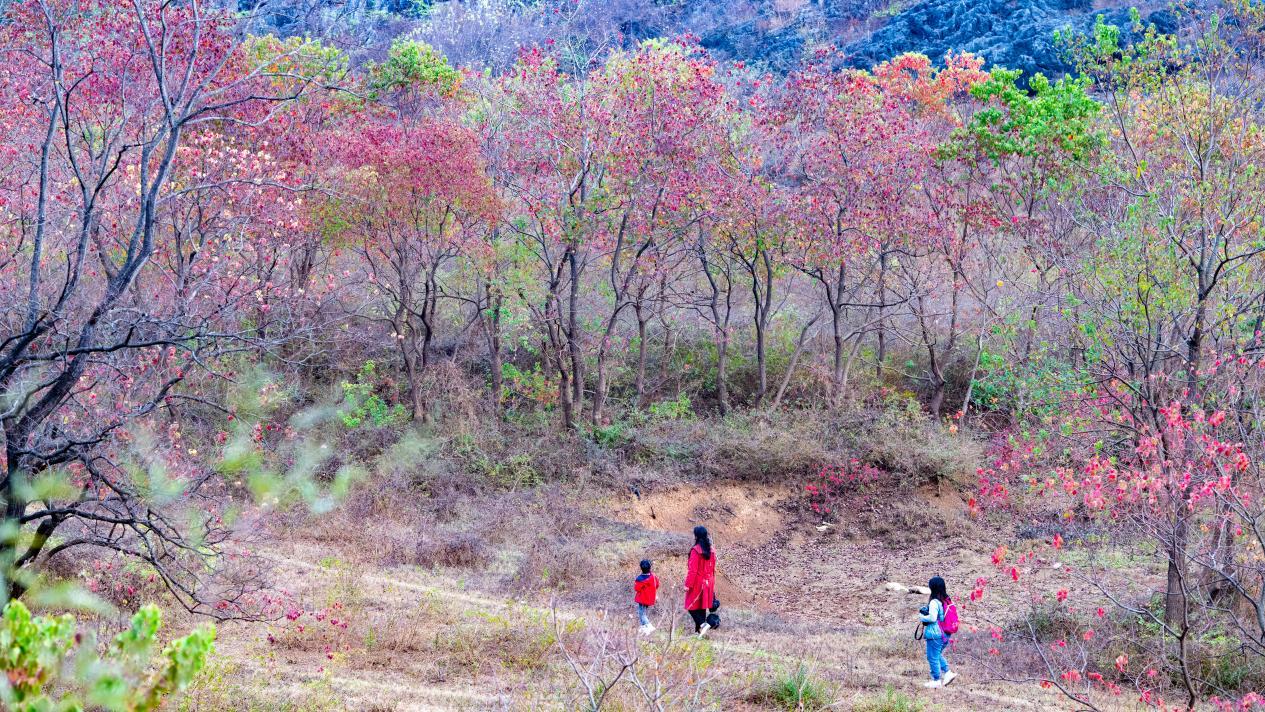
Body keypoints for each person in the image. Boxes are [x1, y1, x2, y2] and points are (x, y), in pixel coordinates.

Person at [919, 575, 957, 688]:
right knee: (936, 655)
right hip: (943, 634)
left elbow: (932, 618)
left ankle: (936, 680)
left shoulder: (934, 602)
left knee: (932, 657)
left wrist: (921, 617)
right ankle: (948, 673)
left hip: (935, 634)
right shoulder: (945, 600)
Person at [684, 526, 717, 636]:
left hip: (698, 582)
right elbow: (713, 568)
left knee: (690, 606)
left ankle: (703, 625)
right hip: (709, 581)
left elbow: (692, 570)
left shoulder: (696, 550)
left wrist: (688, 585)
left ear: (696, 535)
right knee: (700, 606)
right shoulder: (711, 549)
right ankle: (699, 632)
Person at [634, 559, 659, 635]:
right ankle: (643, 629)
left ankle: (649, 626)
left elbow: (636, 588)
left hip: (642, 599)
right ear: (650, 567)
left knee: (642, 614)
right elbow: (657, 585)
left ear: (641, 568)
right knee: (643, 613)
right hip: (650, 598)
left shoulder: (639, 579)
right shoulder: (653, 577)